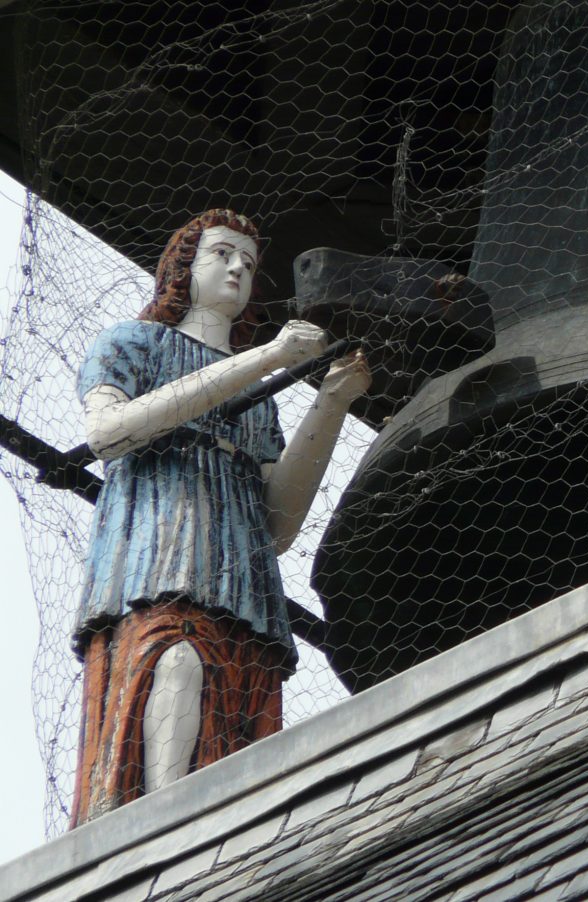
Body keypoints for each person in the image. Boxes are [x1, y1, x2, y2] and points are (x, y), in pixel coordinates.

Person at [71, 209, 370, 825]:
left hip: (241, 572)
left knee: (234, 700)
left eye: (249, 263)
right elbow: (106, 433)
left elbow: (279, 523)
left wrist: (333, 403)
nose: (238, 267)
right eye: (222, 254)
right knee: (173, 660)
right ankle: (159, 823)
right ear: (184, 268)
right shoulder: (132, 343)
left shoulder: (254, 387)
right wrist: (267, 360)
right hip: (158, 551)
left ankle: (216, 836)